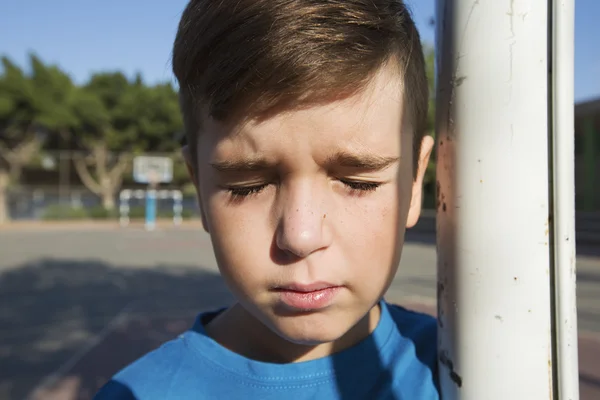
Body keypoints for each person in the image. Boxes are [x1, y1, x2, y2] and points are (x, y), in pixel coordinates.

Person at [95, 0, 438, 398]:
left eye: (357, 182)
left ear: (415, 181)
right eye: (247, 186)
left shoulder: (482, 368)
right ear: (199, 185)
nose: (301, 236)